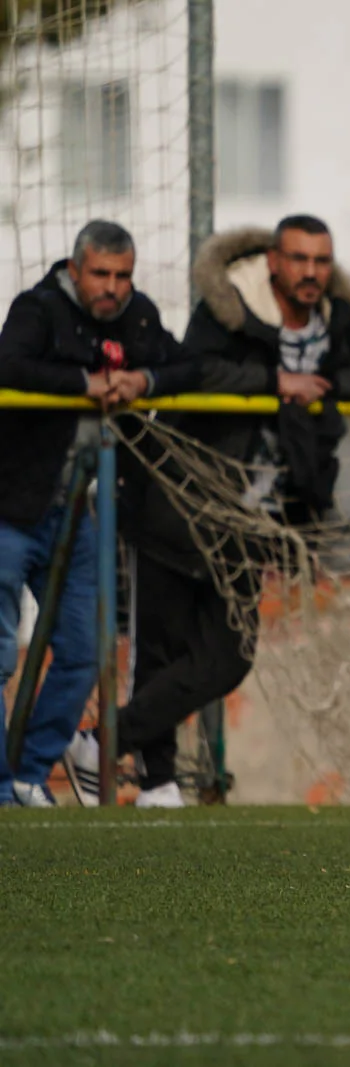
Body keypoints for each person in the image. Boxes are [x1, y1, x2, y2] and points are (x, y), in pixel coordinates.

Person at [70, 214, 350, 808]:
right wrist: (276, 382)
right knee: (159, 649)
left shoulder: (336, 321)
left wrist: (315, 382)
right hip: (181, 502)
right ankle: (159, 780)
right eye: (299, 259)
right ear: (273, 261)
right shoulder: (230, 309)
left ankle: (101, 742)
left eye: (321, 261)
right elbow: (194, 370)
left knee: (228, 660)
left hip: (253, 525)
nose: (311, 273)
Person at [0, 220, 197, 807]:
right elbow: (9, 367)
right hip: (11, 506)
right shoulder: (37, 309)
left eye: (123, 275)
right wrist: (84, 384)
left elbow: (191, 368)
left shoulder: (139, 317)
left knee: (86, 652)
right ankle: (4, 790)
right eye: (102, 274)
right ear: (75, 268)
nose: (113, 287)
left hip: (77, 512)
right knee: (0, 654)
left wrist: (144, 378)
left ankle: (30, 772)